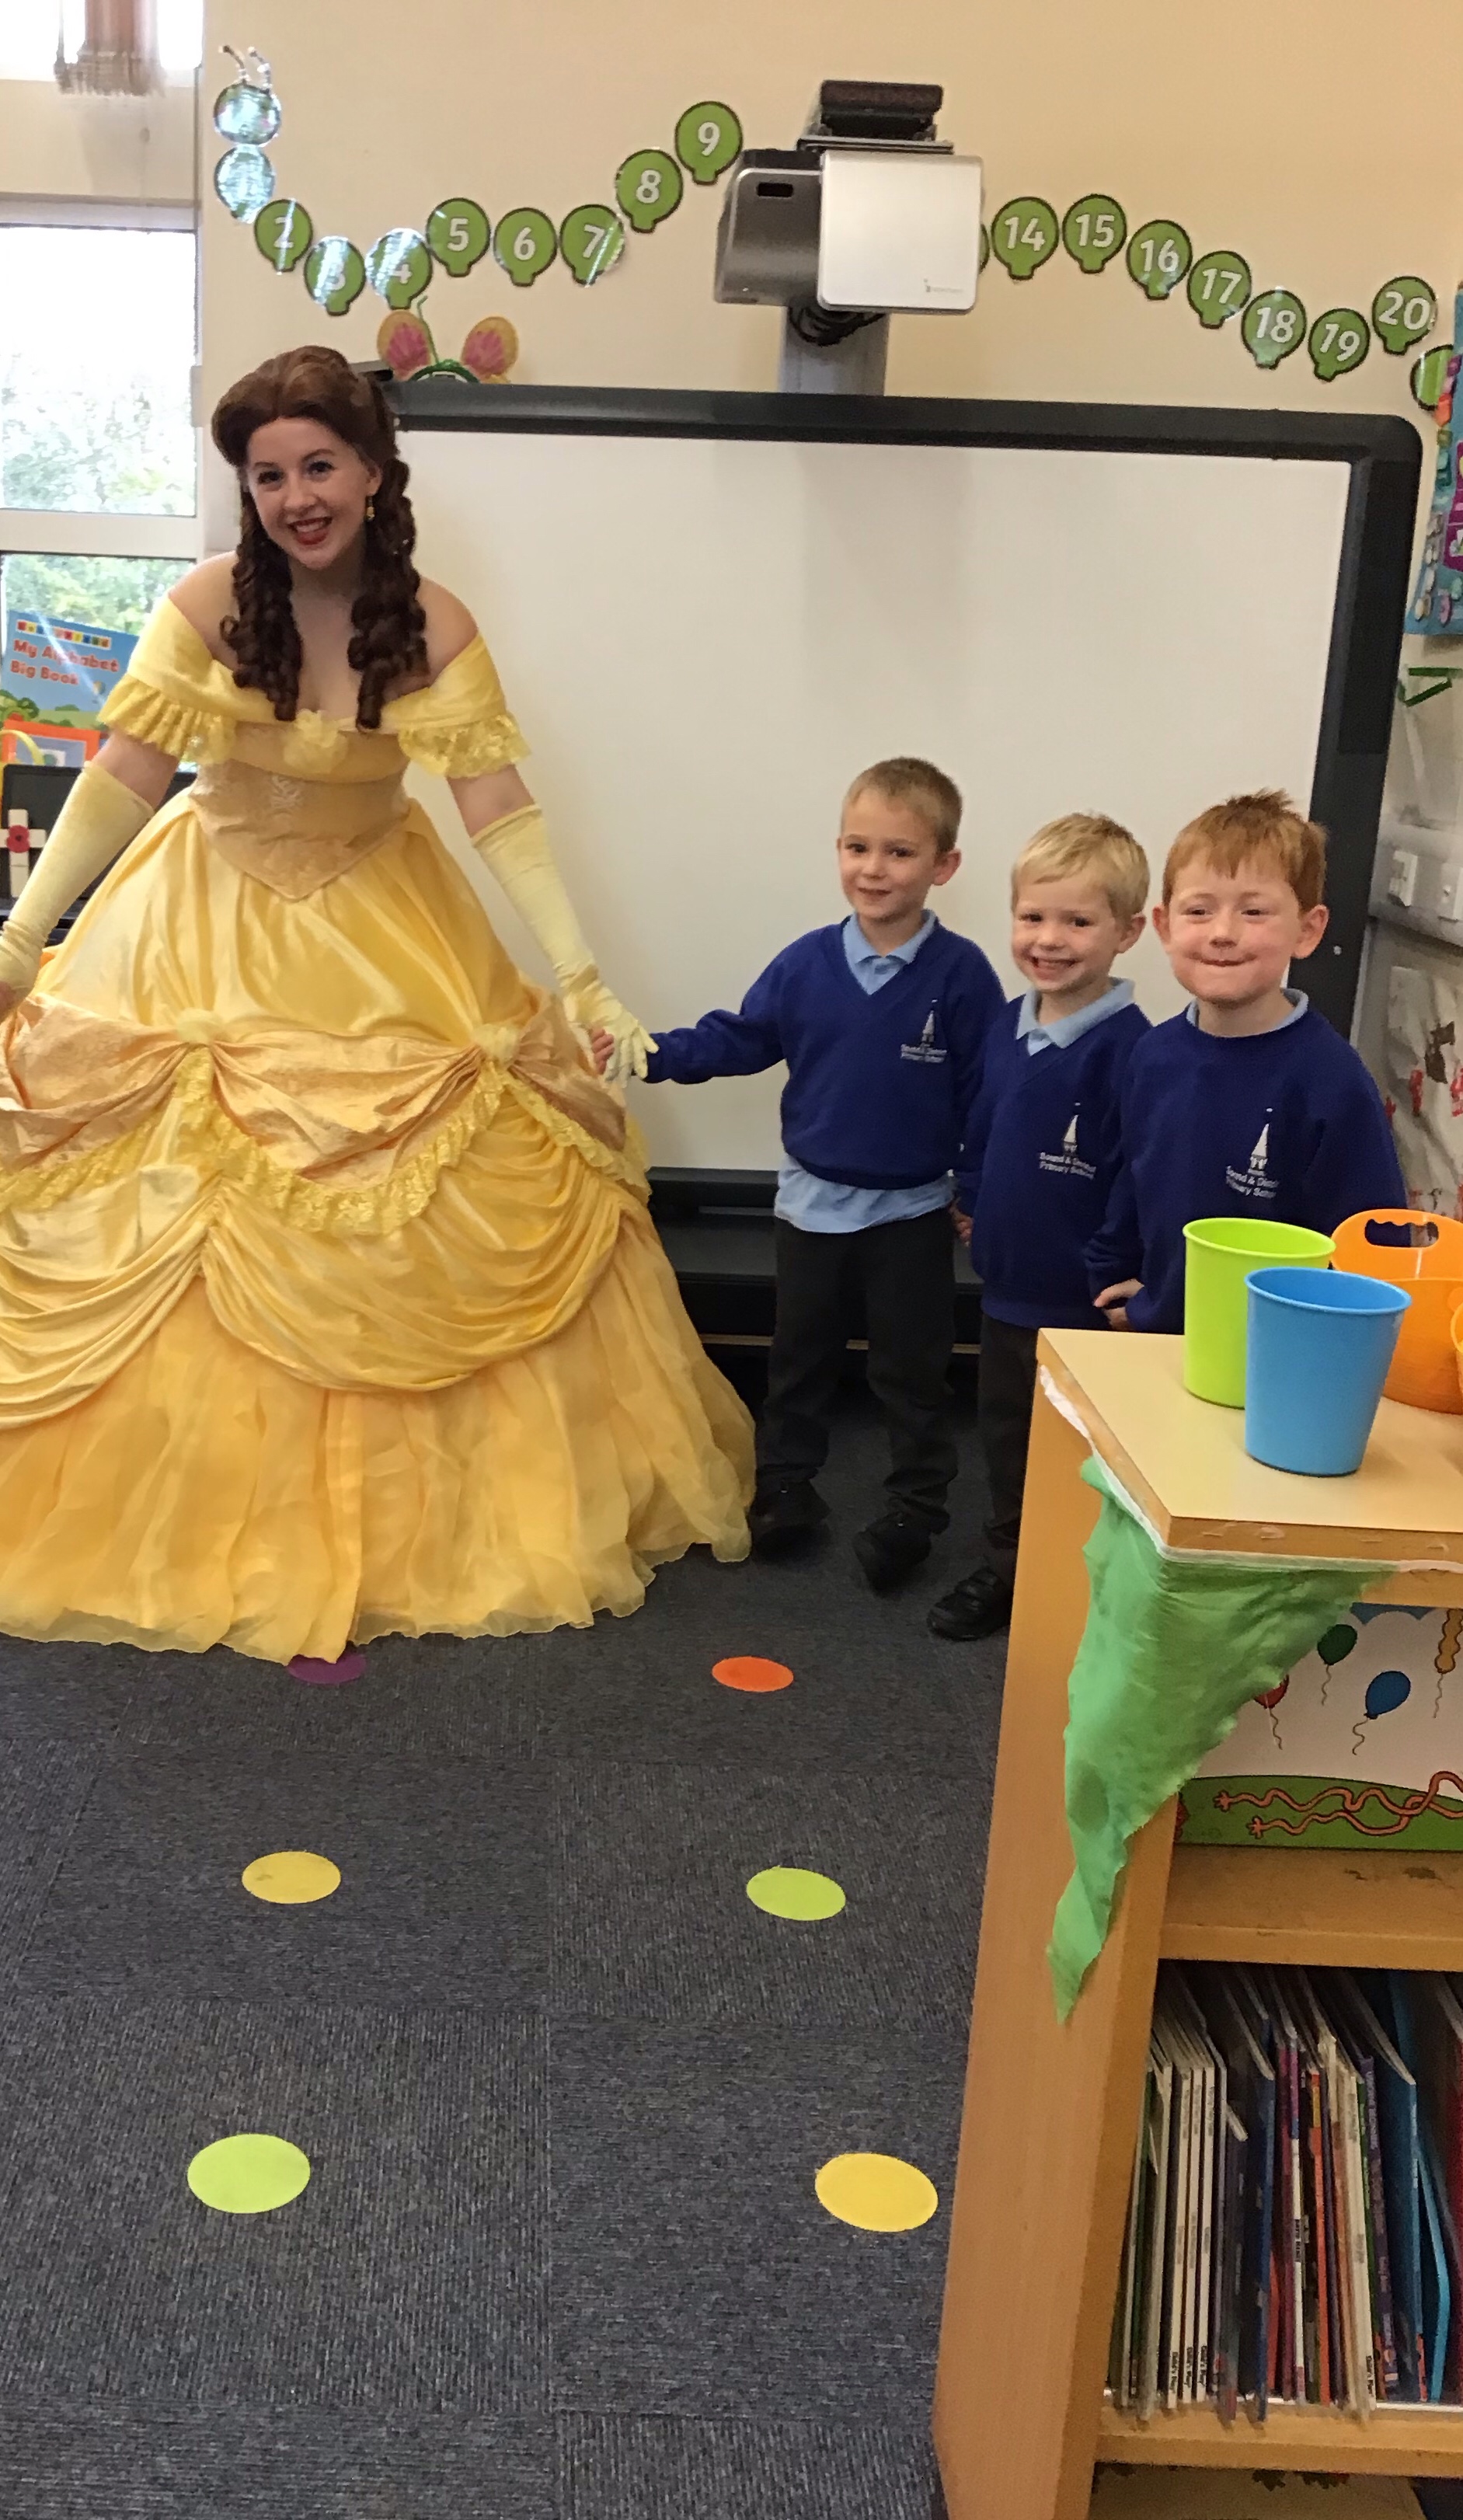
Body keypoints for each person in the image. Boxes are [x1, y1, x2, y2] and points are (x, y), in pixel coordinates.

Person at [0, 345, 753, 1664]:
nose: (296, 496)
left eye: (319, 466)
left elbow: (496, 808)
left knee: (438, 1174)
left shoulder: (435, 623)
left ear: (372, 473)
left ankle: (399, 1527)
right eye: (269, 475)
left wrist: (577, 972)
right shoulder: (206, 605)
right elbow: (123, 773)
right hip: (201, 913)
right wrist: (22, 938)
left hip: (382, 917)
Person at [640, 758, 1003, 1590]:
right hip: (809, 1211)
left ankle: (915, 1508)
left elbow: (987, 1095)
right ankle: (785, 1488)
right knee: (798, 1361)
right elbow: (737, 1039)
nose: (873, 869)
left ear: (943, 866)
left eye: (899, 853)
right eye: (856, 847)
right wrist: (648, 1054)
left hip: (911, 1214)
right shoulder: (805, 964)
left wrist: (978, 1192)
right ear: (837, 849)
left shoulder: (962, 976)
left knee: (910, 1373)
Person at [928, 814, 1150, 1643]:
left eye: (1076, 921)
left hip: (1087, 1310)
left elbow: (1138, 1179)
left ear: (1127, 931)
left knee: (1086, 1454)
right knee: (1007, 1439)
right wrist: (972, 1197)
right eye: (1032, 917)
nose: (1048, 940)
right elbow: (983, 1126)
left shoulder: (1135, 1054)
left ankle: (1082, 1585)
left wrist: (1115, 1271)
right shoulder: (1003, 1025)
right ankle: (1010, 1568)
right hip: (1006, 1294)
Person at [1087, 789, 1404, 1336]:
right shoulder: (1151, 1055)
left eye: (1253, 911)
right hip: (1153, 1341)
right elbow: (1133, 1186)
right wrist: (1118, 1282)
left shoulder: (1332, 1082)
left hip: (1275, 1351)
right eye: (1198, 910)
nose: (1222, 933)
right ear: (1164, 926)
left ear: (1307, 930)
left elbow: (1371, 1248)